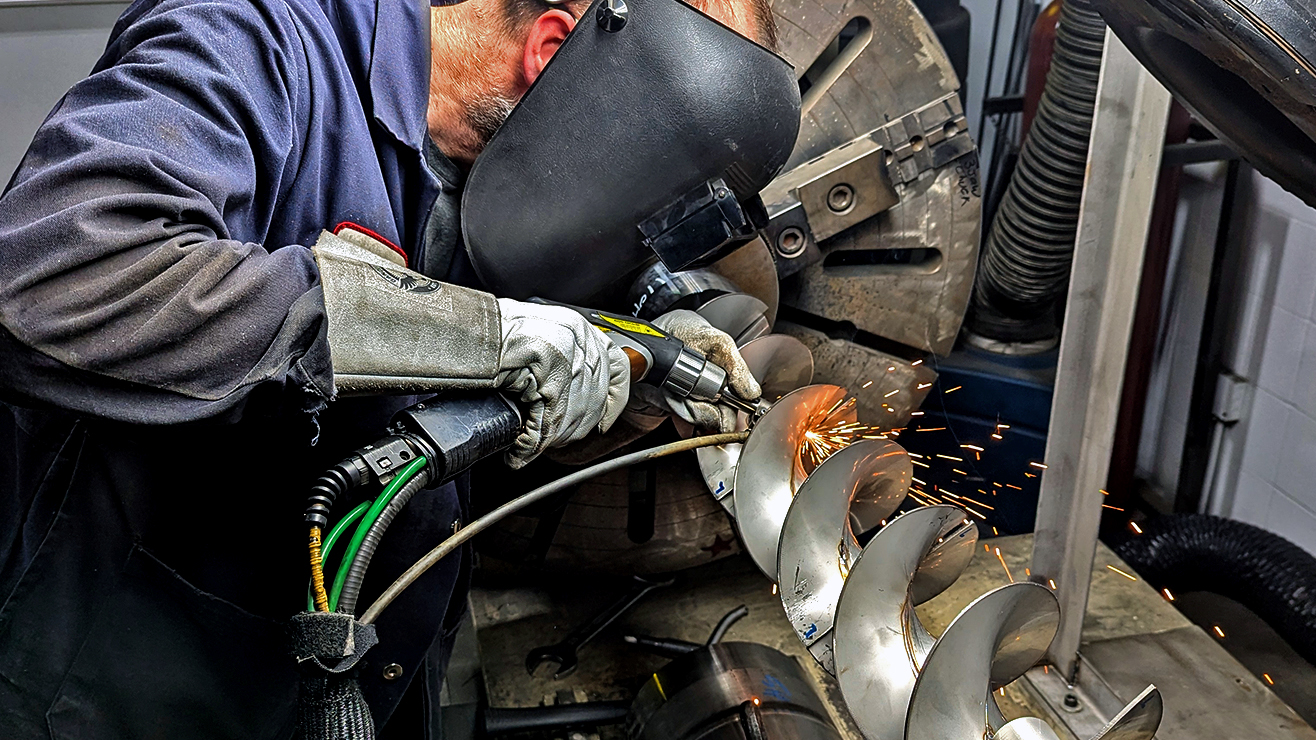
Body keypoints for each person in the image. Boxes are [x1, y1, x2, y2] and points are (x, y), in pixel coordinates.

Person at [0, 0, 785, 736]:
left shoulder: (501, 174)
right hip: (119, 697)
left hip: (362, 689)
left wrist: (630, 373)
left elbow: (455, 426)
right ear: (548, 51)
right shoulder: (257, 38)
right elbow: (53, 279)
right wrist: (469, 337)